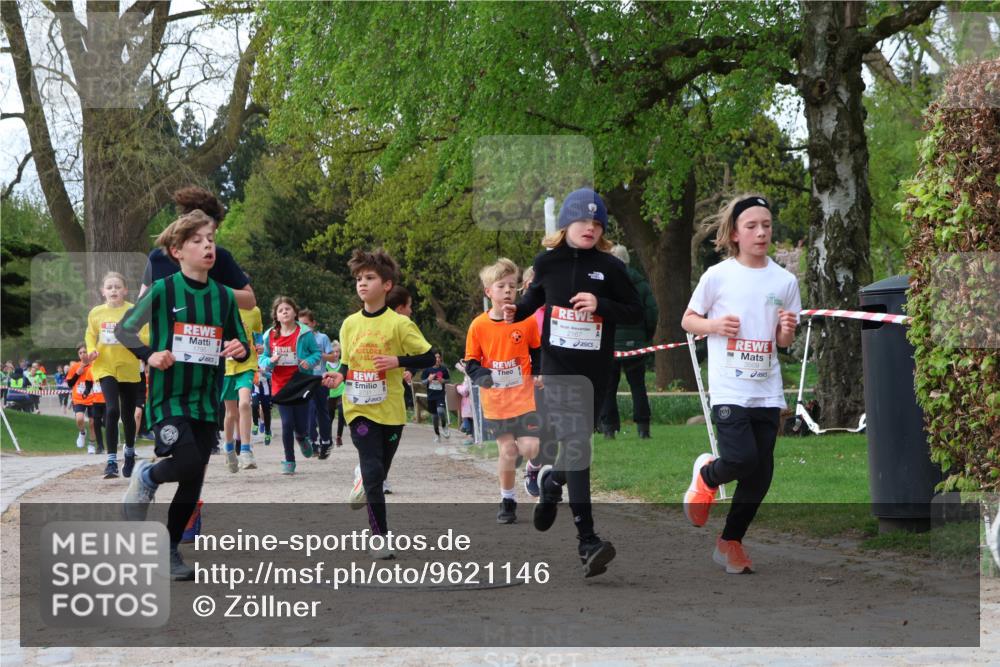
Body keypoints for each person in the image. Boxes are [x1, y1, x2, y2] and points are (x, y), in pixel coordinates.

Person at [504, 188, 642, 578]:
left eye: (598, 223)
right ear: (567, 223)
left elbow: (636, 311)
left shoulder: (611, 267)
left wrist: (603, 306)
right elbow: (532, 302)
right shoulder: (547, 263)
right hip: (559, 368)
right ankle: (588, 541)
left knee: (580, 445)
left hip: (597, 371)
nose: (591, 228)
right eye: (584, 221)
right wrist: (517, 310)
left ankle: (552, 483)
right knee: (578, 445)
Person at [118, 209, 250, 581]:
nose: (207, 246)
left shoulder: (223, 297)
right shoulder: (163, 289)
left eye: (211, 240)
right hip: (168, 399)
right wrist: (151, 355)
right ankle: (147, 476)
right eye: (197, 241)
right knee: (188, 461)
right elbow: (126, 330)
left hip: (206, 401)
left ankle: (169, 550)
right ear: (177, 250)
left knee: (193, 481)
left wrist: (240, 349)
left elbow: (240, 342)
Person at [681, 194, 800, 575]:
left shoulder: (785, 280)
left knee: (761, 472)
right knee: (742, 460)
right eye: (752, 226)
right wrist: (714, 326)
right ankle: (707, 476)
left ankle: (730, 542)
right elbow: (688, 320)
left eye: (766, 225)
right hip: (730, 387)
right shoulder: (717, 275)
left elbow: (783, 342)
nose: (761, 232)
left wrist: (786, 331)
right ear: (735, 233)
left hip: (767, 388)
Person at [322, 248, 434, 560]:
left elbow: (428, 356)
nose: (362, 283)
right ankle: (379, 537)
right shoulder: (349, 325)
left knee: (378, 472)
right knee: (373, 471)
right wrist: (338, 377)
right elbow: (346, 363)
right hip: (358, 407)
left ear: (386, 285)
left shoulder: (399, 324)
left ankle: (364, 479)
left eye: (369, 278)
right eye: (358, 278)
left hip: (391, 410)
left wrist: (397, 360)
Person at [464, 258, 542, 524]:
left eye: (512, 285)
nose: (508, 290)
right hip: (496, 402)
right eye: (501, 286)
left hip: (524, 397)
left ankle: (532, 469)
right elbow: (471, 362)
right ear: (489, 291)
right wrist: (484, 376)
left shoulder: (527, 321)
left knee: (531, 447)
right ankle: (507, 499)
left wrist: (540, 371)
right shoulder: (478, 326)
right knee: (508, 451)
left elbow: (537, 350)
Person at [86, 271, 144, 478]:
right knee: (111, 410)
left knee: (128, 415)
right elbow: (90, 334)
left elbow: (145, 334)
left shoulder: (134, 311)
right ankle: (111, 461)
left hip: (128, 366)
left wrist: (139, 342)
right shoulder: (96, 313)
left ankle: (129, 452)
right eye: (109, 287)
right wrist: (91, 349)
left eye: (117, 287)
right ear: (103, 292)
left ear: (125, 291)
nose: (113, 290)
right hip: (105, 366)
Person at [600, 245, 659, 440]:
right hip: (636, 344)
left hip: (610, 345)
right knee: (638, 386)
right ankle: (644, 428)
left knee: (609, 387)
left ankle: (609, 429)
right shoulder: (641, 283)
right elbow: (651, 313)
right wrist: (644, 336)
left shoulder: (605, 283)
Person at [259, 297, 321, 474]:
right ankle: (289, 460)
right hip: (280, 385)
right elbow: (263, 358)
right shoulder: (269, 335)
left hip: (301, 383)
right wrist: (269, 361)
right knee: (287, 423)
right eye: (280, 310)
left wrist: (309, 362)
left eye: (287, 309)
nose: (284, 312)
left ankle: (302, 437)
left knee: (301, 424)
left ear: (295, 312)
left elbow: (316, 353)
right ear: (276, 316)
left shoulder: (305, 333)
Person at [221, 305, 264, 472]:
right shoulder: (221, 306)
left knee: (245, 404)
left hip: (247, 365)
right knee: (231, 413)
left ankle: (246, 450)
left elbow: (257, 334)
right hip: (226, 367)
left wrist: (260, 345)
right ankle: (229, 449)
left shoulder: (254, 310)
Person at [299, 309, 337, 459]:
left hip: (320, 379)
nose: (304, 328)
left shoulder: (322, 338)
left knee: (322, 412)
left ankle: (326, 441)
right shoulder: (298, 339)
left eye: (307, 324)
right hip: (305, 380)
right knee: (309, 411)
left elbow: (333, 358)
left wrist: (317, 354)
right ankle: (313, 442)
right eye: (301, 325)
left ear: (313, 324)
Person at [421, 352, 451, 443]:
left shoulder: (443, 369)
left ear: (440, 359)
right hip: (431, 397)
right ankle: (437, 435)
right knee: (434, 418)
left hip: (440, 396)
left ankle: (444, 426)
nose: (437, 359)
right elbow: (423, 382)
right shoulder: (427, 370)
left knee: (441, 411)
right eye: (435, 357)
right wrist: (428, 380)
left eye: (439, 357)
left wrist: (443, 380)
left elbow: (449, 380)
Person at [325, 340, 347, 449]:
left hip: (342, 392)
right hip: (330, 394)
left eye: (338, 351)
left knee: (342, 413)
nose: (336, 354)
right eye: (333, 352)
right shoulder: (325, 365)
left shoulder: (343, 363)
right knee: (330, 417)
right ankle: (328, 437)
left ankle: (339, 436)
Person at [251, 368, 272, 446]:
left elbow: (272, 375)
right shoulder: (253, 359)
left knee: (266, 410)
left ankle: (267, 432)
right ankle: (255, 424)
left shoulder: (267, 359)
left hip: (266, 389)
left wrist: (264, 373)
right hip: (255, 388)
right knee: (254, 405)